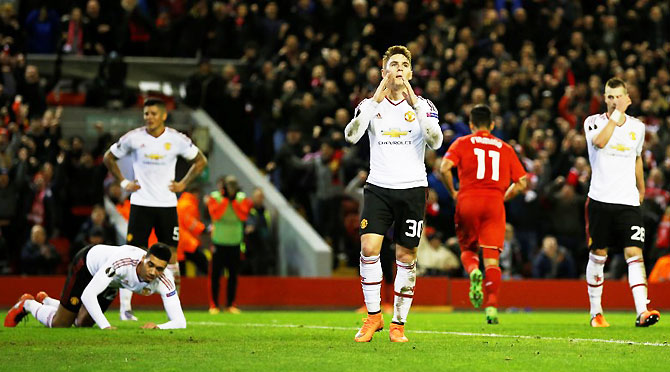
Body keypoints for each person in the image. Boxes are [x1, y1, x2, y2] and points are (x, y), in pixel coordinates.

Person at [344, 45, 443, 342]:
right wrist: (375, 99)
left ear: (411, 73)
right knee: (369, 249)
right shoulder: (369, 106)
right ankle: (373, 316)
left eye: (403, 65)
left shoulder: (425, 107)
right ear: (383, 71)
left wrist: (415, 102)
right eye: (393, 64)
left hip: (412, 189)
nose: (398, 68)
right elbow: (351, 136)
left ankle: (398, 323)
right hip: (379, 188)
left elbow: (436, 141)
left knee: (406, 255)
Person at [103, 97, 207, 321]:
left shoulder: (176, 139)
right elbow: (109, 158)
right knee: (131, 255)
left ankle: (174, 309)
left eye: (152, 113)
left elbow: (200, 161)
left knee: (171, 257)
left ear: (163, 115)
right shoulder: (134, 138)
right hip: (140, 203)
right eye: (146, 114)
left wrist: (183, 184)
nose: (148, 118)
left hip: (167, 205)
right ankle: (125, 310)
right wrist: (123, 183)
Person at [583, 78, 660, 327]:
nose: (613, 100)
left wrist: (641, 188)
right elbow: (600, 142)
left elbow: (636, 157)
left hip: (627, 202)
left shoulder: (637, 127)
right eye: (609, 96)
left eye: (618, 96)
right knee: (599, 255)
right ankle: (596, 313)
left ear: (627, 97)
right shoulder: (593, 122)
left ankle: (642, 310)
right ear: (604, 98)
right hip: (600, 200)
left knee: (634, 253)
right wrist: (618, 114)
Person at [440, 104, 527, 324]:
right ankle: (492, 307)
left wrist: (453, 192)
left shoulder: (462, 142)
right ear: (492, 125)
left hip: (468, 199)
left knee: (468, 248)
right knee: (492, 261)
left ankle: (472, 272)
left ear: (471, 125)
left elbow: (444, 167)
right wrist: (504, 196)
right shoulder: (505, 147)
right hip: (494, 204)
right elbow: (522, 182)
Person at [4, 242, 186, 330]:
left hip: (111, 283)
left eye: (159, 269)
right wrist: (106, 327)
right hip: (87, 266)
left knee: (82, 324)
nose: (153, 272)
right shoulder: (123, 261)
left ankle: (49, 302)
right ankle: (27, 304)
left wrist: (159, 327)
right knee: (61, 324)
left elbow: (180, 322)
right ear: (144, 258)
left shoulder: (165, 281)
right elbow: (89, 295)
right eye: (150, 265)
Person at [206, 175, 252, 314]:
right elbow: (217, 215)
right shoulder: (215, 197)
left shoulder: (242, 198)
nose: (231, 189)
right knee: (215, 276)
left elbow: (243, 216)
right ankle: (213, 305)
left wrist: (233, 202)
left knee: (233, 276)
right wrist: (226, 200)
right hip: (219, 242)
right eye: (229, 186)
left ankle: (231, 304)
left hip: (235, 242)